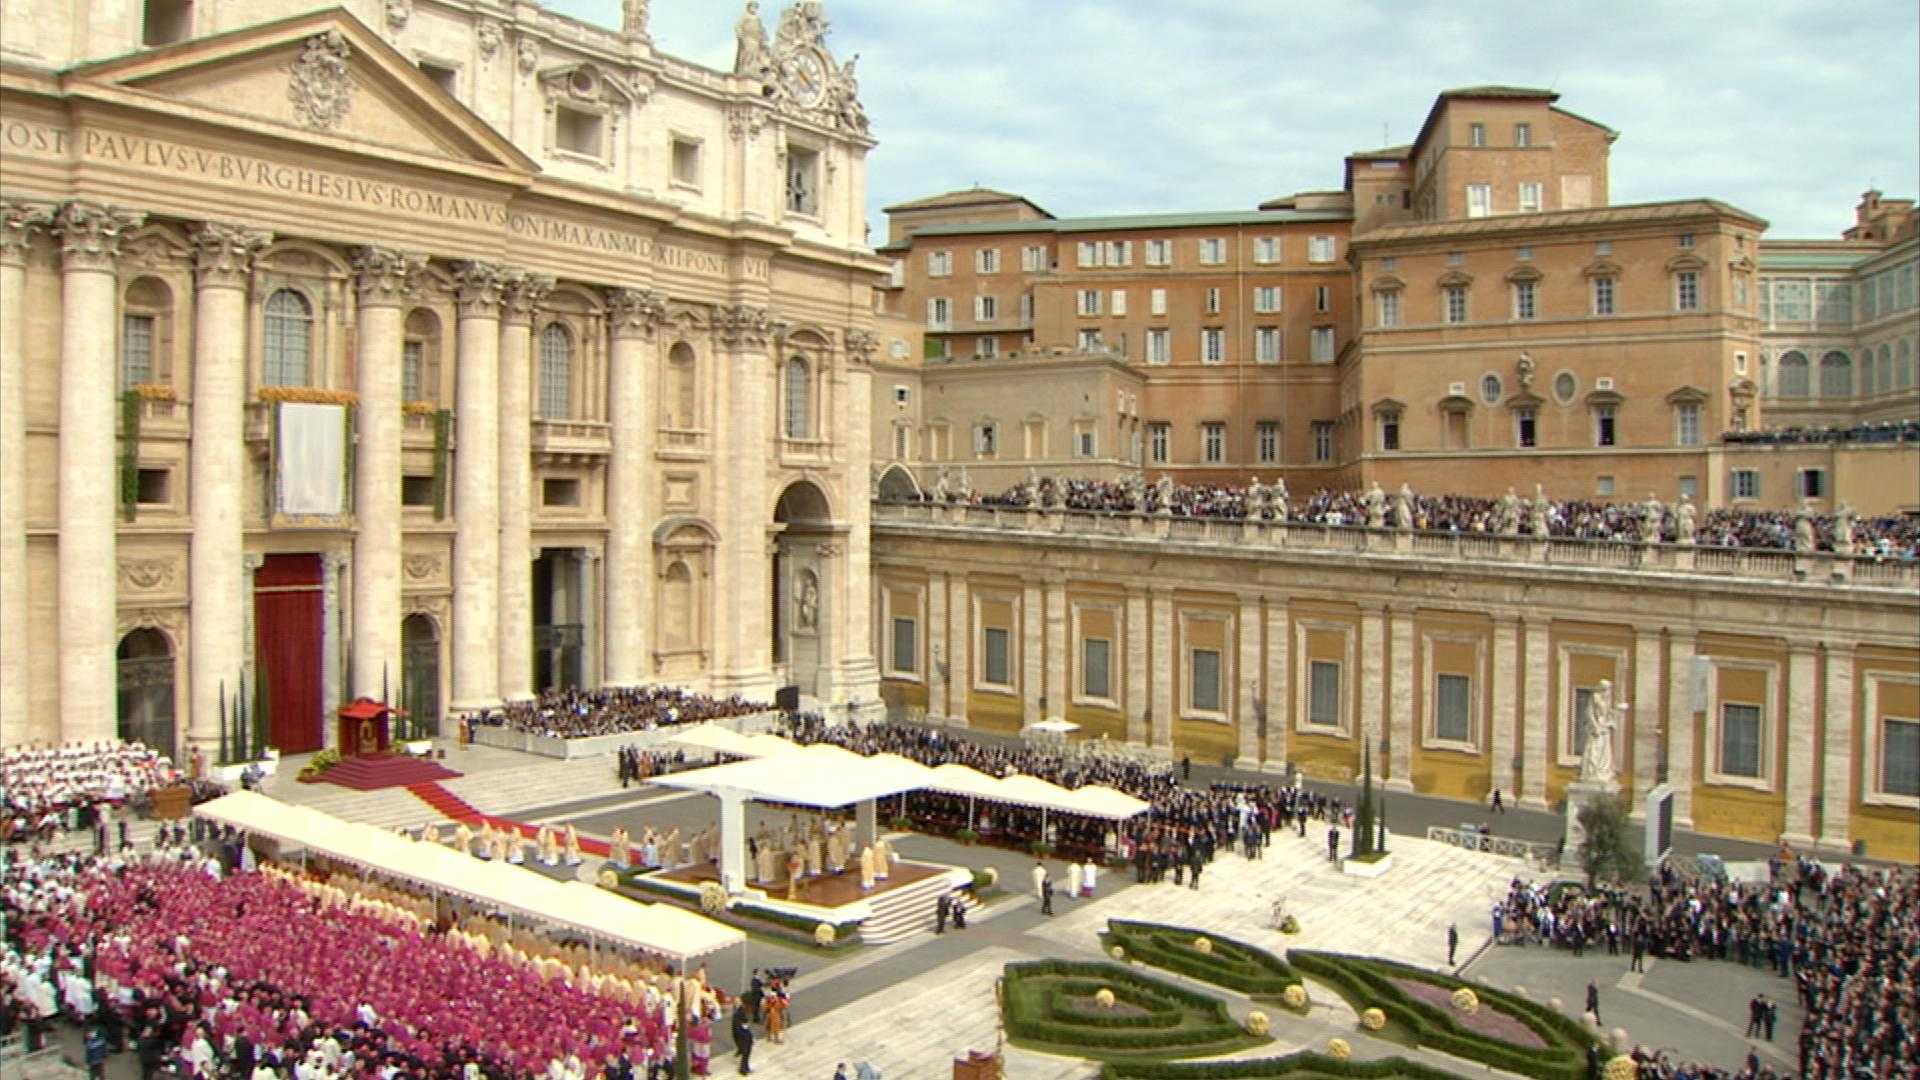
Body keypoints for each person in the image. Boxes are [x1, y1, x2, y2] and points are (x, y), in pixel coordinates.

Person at [731, 1003, 754, 1075]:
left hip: (745, 1036)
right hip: (743, 1038)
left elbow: (745, 1026)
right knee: (745, 1053)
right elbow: (738, 1029)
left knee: (747, 1053)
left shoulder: (741, 1013)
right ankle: (743, 1069)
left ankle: (746, 1067)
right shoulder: (738, 1015)